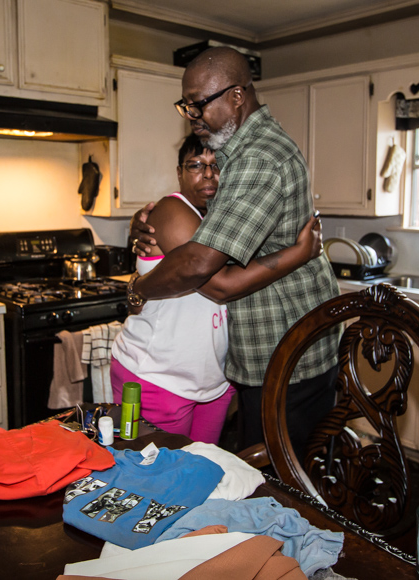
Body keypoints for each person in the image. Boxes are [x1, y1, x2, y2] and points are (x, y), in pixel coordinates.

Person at [126, 47, 343, 458]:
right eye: (185, 105)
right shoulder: (236, 153)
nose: (191, 115)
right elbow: (202, 228)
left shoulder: (257, 158)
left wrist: (139, 289)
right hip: (279, 351)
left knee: (282, 492)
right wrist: (147, 225)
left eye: (198, 104)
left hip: (286, 354)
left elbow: (203, 269)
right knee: (271, 477)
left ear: (238, 97)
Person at [112, 133, 322, 444]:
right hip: (158, 375)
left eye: (218, 164)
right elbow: (219, 286)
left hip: (214, 382)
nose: (208, 174)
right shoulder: (172, 211)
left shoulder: (228, 220)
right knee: (158, 482)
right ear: (179, 172)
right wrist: (301, 252)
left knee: (201, 479)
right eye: (196, 164)